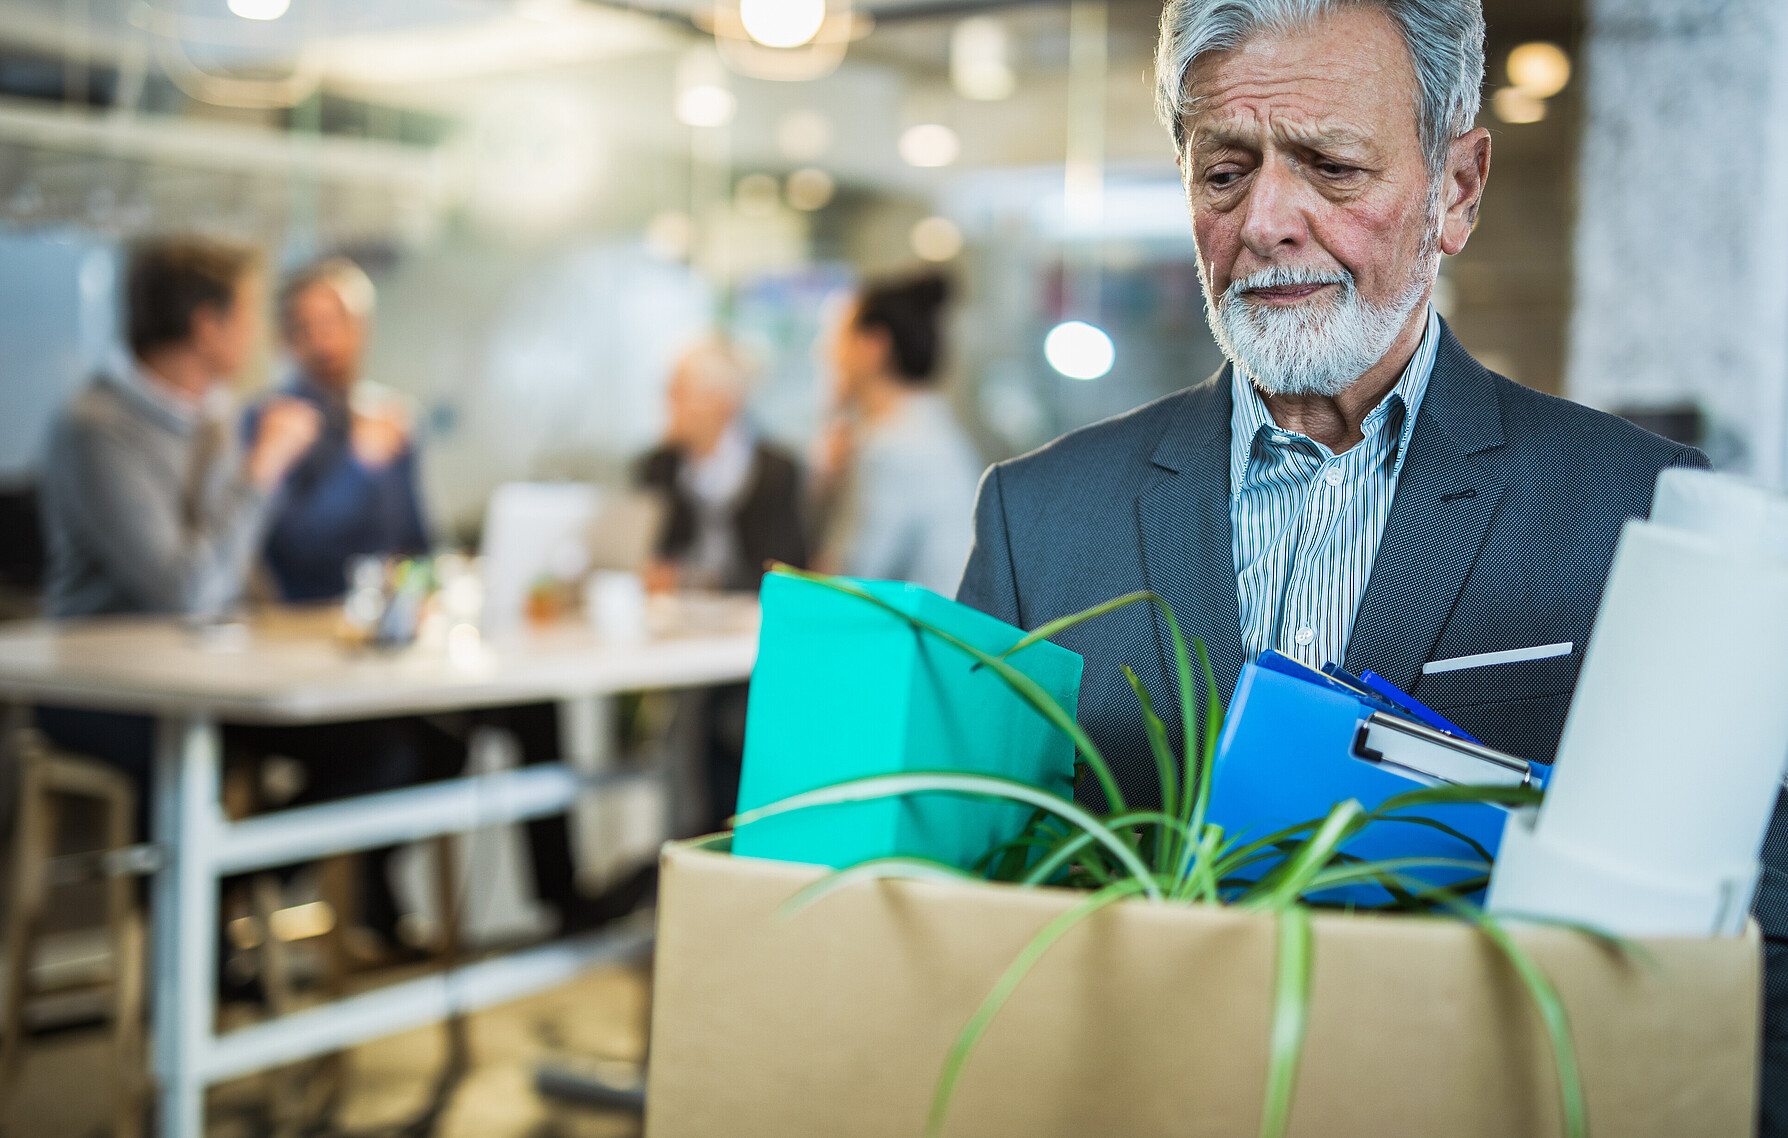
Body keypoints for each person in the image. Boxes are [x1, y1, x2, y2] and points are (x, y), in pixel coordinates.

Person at [956, 2, 1786, 1132]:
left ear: (1458, 188)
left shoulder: (1630, 509)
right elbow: (958, 903)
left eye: (1332, 167)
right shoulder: (1036, 517)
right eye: (1225, 172)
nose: (1267, 222)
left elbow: (1757, 947)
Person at [250, 257, 429, 603]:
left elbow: (415, 542)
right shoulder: (267, 422)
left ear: (364, 327)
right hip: (298, 625)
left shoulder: (393, 418)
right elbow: (289, 547)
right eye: (305, 327)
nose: (323, 340)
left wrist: (422, 596)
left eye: (336, 322)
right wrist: (359, 466)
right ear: (286, 338)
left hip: (387, 621)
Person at [817, 273, 981, 597]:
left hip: (923, 639)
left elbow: (852, 578)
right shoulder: (931, 429)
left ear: (872, 347)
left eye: (837, 339)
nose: (827, 355)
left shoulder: (894, 446)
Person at [638, 338, 809, 591]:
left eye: (680, 394)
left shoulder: (776, 471)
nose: (668, 404)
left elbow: (786, 568)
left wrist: (701, 581)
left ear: (724, 403)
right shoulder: (659, 467)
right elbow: (647, 554)